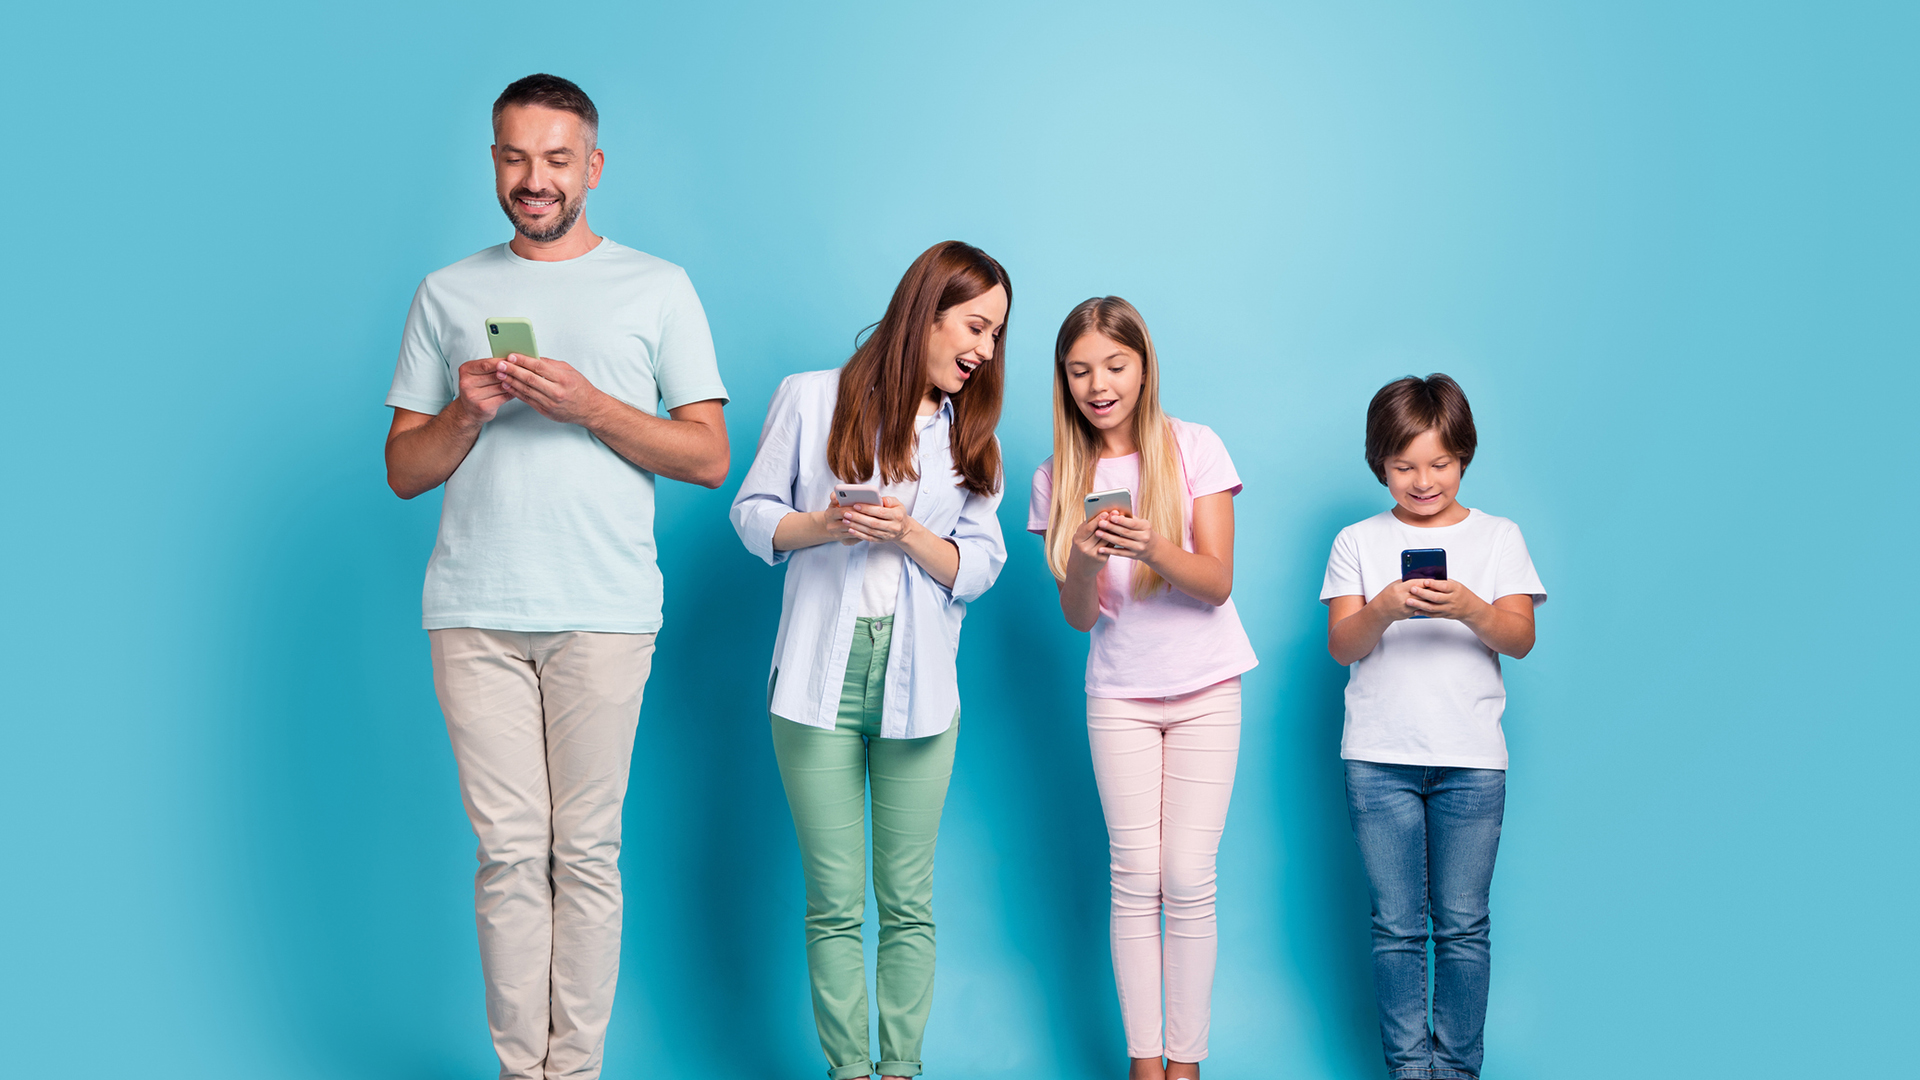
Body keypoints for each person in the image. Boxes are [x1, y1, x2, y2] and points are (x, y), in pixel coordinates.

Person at [382, 73, 730, 1080]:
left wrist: (591, 406)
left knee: (584, 855)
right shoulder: (448, 294)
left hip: (605, 611)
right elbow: (405, 471)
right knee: (506, 856)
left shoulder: (657, 288)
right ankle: (517, 1073)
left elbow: (705, 456)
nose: (534, 179)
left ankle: (572, 1071)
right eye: (515, 158)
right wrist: (465, 414)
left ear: (594, 167)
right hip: (473, 609)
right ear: (495, 161)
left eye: (556, 159)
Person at [730, 241, 1010, 1080]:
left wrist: (910, 533)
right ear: (925, 312)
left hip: (921, 686)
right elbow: (750, 513)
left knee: (908, 901)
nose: (985, 350)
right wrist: (824, 525)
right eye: (974, 325)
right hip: (814, 677)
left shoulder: (971, 435)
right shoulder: (811, 398)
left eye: (997, 334)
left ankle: (901, 1072)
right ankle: (850, 1071)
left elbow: (982, 567)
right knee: (834, 900)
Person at [1028, 297, 1257, 1080]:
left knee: (1189, 876)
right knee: (1135, 877)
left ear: (1143, 366)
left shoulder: (1194, 447)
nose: (1099, 384)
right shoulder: (1058, 476)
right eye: (1081, 369)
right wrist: (1087, 559)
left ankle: (1186, 1063)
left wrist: (1154, 542)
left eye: (1114, 366)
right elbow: (1078, 615)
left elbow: (1217, 583)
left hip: (1205, 688)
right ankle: (1144, 1064)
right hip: (1119, 695)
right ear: (1064, 379)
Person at [1320, 374, 1545, 1080]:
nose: (1423, 481)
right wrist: (1384, 607)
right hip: (1378, 759)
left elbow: (1520, 637)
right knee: (1395, 930)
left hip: (1473, 762)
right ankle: (1409, 1073)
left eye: (1440, 463)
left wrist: (1470, 607)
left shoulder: (1498, 537)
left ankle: (1457, 1072)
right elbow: (1343, 645)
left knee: (1463, 929)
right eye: (1404, 465)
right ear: (1379, 463)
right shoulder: (1357, 540)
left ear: (1464, 457)